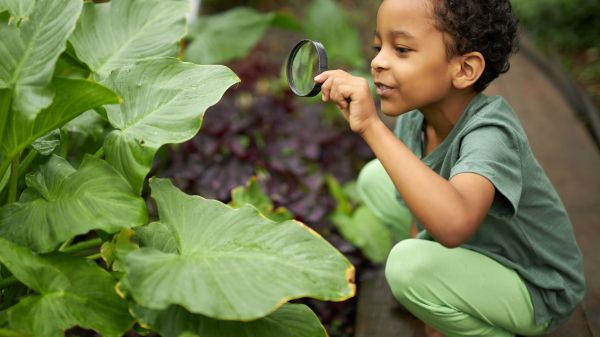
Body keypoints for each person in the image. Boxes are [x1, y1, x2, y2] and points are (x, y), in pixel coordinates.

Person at [313, 0, 586, 336]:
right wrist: (429, 308)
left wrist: (371, 126)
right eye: (378, 46)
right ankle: (444, 294)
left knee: (406, 267)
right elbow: (421, 215)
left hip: (535, 286)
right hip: (479, 249)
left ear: (464, 69)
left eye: (401, 49)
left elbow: (454, 225)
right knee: (376, 178)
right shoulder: (416, 117)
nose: (378, 62)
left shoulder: (491, 134)